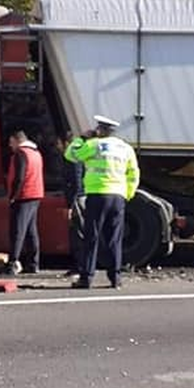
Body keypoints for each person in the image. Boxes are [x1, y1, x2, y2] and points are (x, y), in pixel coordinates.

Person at [64, 115, 140, 289]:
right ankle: (115, 279)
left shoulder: (94, 145)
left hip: (97, 195)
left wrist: (81, 138)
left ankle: (86, 278)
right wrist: (127, 194)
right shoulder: (126, 148)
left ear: (99, 130)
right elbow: (134, 173)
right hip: (118, 196)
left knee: (92, 237)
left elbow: (71, 155)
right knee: (114, 238)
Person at [6, 130, 44, 275]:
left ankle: (12, 263)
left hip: (24, 195)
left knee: (17, 230)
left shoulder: (21, 154)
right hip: (36, 193)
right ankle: (33, 263)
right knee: (31, 231)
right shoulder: (36, 153)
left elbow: (19, 177)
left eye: (11, 142)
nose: (10, 145)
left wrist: (13, 196)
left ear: (18, 140)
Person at [56, 133, 85, 277]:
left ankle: (79, 267)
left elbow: (76, 183)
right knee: (76, 233)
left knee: (77, 234)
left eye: (59, 143)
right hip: (77, 200)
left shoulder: (73, 160)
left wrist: (72, 206)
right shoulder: (74, 157)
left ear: (67, 143)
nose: (57, 146)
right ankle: (78, 266)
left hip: (77, 201)